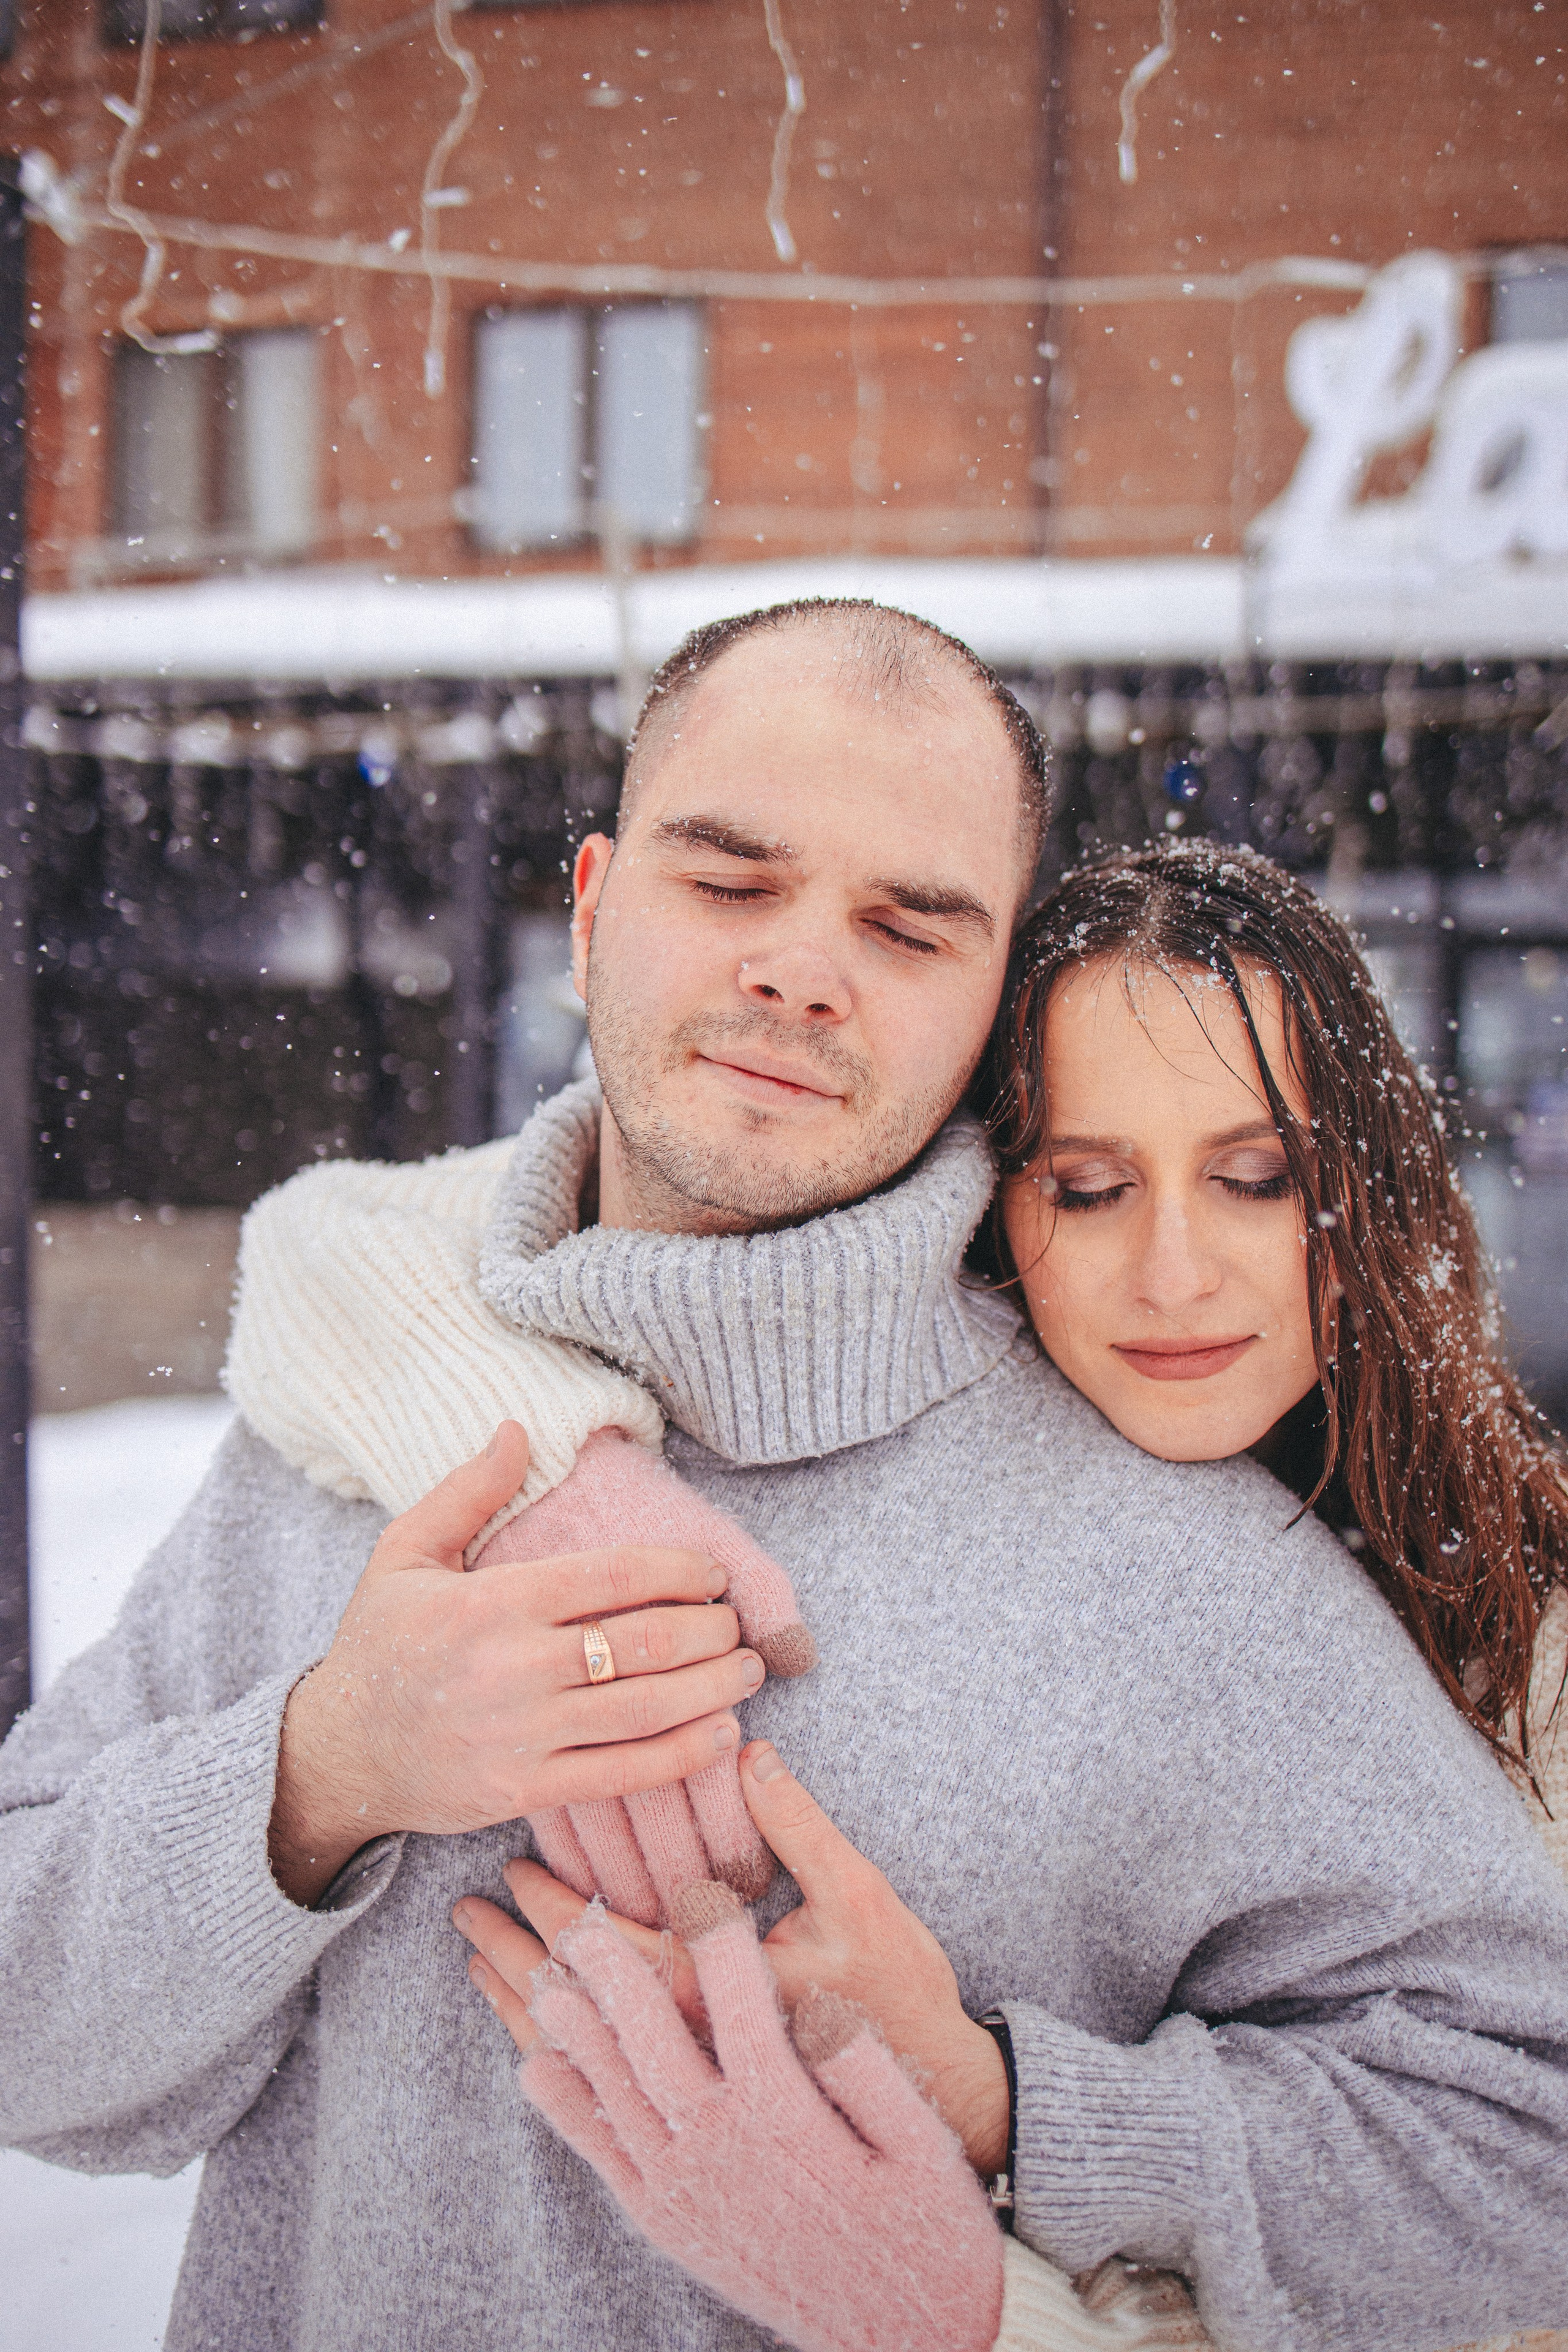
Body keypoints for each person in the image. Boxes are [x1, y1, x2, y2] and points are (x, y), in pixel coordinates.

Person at [0, 606, 1564, 2352]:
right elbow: (26, 2043)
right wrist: (326, 1765)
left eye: (909, 926)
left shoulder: (1196, 1569)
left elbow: (1530, 2152)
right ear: (592, 911)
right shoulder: (350, 1427)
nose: (803, 970)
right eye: (730, 884)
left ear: (991, 1019)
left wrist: (1018, 2115)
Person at [447, 839, 1568, 2351]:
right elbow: (372, 1241)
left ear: (1365, 1190)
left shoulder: (1528, 1627)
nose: (1172, 1273)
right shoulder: (967, 1513)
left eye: (1254, 1177)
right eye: (1090, 1187)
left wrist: (998, 2121)